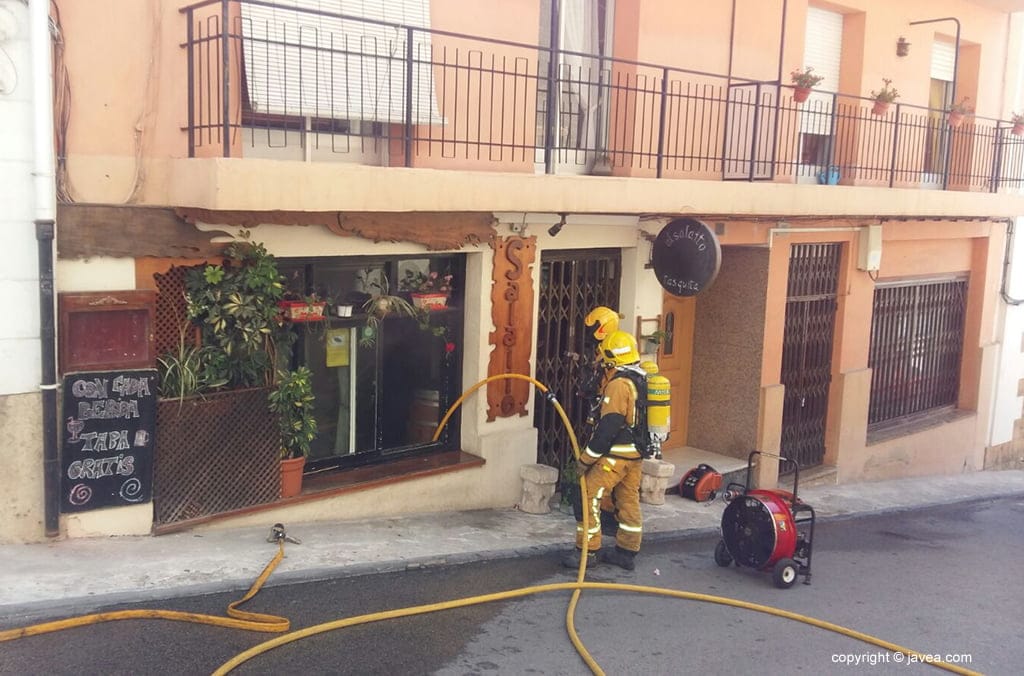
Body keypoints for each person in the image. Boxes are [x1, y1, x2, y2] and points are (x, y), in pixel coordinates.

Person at [562, 330, 645, 571]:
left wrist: (586, 459)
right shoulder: (640, 379)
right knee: (628, 499)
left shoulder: (619, 384)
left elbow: (609, 426)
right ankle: (627, 552)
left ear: (611, 357)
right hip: (635, 456)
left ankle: (587, 552)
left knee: (587, 496)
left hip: (615, 456)